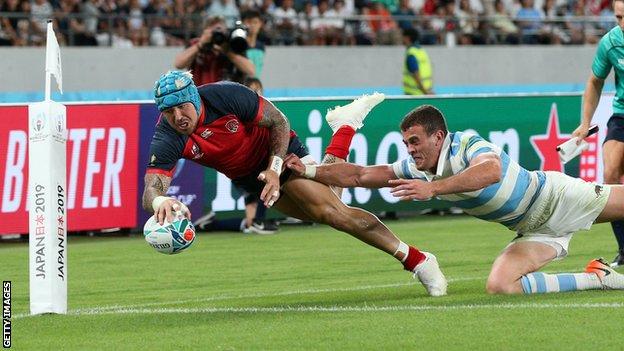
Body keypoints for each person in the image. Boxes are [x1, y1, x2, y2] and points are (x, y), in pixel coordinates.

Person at [143, 70, 447, 296]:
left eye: (182, 107)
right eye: (169, 112)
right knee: (326, 209)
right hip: (249, 177)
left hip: (278, 154)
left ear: (194, 97)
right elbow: (152, 188)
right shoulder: (168, 134)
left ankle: (418, 261)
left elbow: (278, 121)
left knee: (334, 213)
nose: (178, 116)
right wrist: (161, 201)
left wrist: (275, 168)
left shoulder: (226, 96)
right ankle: (345, 127)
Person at [286, 104, 624, 295]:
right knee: (501, 286)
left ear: (439, 136)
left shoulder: (466, 144)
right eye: (406, 143)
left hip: (558, 198)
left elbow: (491, 171)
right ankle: (597, 277)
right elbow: (359, 175)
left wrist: (433, 189)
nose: (410, 149)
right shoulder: (416, 167)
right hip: (535, 229)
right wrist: (308, 173)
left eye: (415, 141)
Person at [572, 0, 624, 268]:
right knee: (611, 176)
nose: (623, 24)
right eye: (618, 17)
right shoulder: (611, 42)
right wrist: (585, 122)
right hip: (622, 115)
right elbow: (595, 81)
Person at [193, 76, 279, 235]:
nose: (257, 93)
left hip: (252, 167)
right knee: (255, 213)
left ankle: (210, 225)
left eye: (259, 90)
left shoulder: (264, 112)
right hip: (242, 167)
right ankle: (258, 221)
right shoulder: (239, 112)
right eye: (253, 90)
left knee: (249, 222)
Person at [173, 16, 255, 85]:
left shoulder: (233, 45)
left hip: (227, 98)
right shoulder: (196, 43)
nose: (217, 35)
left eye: (220, 30)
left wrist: (227, 52)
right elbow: (179, 64)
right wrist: (200, 44)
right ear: (205, 31)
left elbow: (250, 70)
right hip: (201, 96)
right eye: (214, 31)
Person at [402, 28, 433, 96]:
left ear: (407, 38)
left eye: (403, 37)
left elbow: (416, 75)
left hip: (414, 95)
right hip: (426, 93)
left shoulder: (411, 54)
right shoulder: (422, 51)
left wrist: (425, 93)